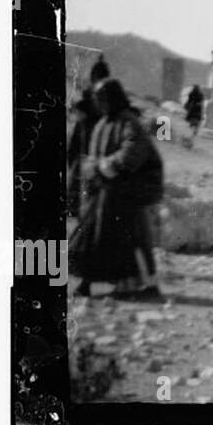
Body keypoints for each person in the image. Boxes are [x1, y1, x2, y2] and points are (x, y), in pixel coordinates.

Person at [69, 78, 163, 301]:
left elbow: (133, 152)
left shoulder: (129, 123)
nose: (100, 104)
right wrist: (91, 171)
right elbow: (93, 157)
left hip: (128, 195)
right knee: (91, 238)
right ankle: (87, 283)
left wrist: (107, 166)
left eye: (103, 99)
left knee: (136, 241)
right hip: (102, 195)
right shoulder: (103, 124)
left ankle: (148, 286)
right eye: (97, 100)